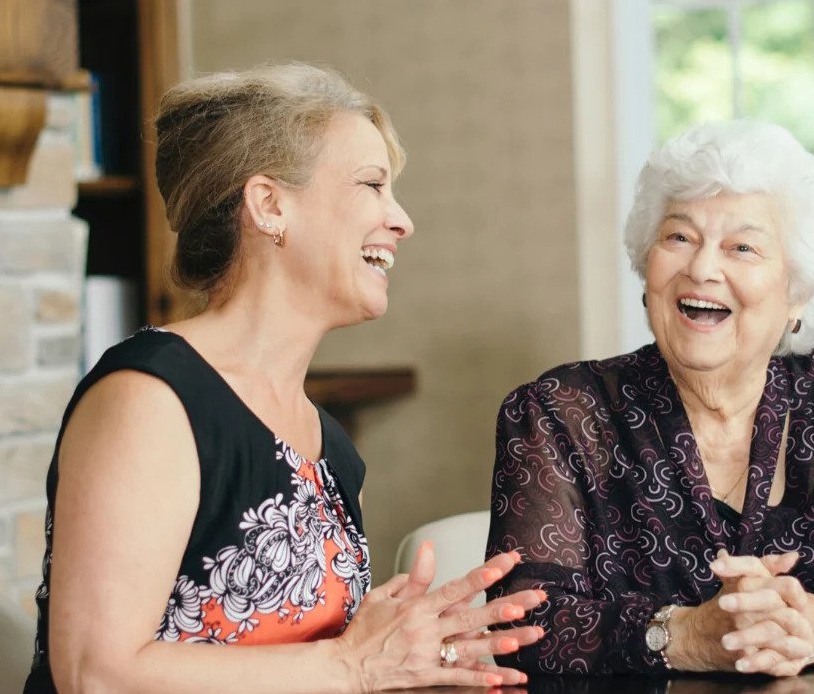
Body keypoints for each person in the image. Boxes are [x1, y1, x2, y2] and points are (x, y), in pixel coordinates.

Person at [24, 63, 545, 693]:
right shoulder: (152, 398)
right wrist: (355, 665)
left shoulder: (331, 448)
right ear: (269, 205)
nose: (402, 220)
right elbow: (94, 675)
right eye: (371, 185)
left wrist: (411, 660)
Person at [486, 121, 814, 678]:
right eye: (679, 237)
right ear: (647, 266)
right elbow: (519, 626)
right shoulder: (560, 414)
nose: (703, 268)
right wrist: (682, 634)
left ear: (797, 293)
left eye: (743, 247)